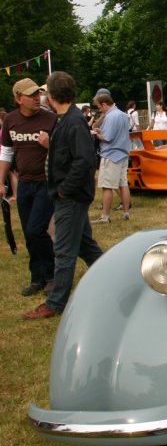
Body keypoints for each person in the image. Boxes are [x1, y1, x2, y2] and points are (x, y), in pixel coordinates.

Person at [23, 71, 102, 320]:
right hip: (67, 195)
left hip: (71, 196)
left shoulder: (74, 121)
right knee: (85, 247)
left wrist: (64, 189)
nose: (43, 97)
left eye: (45, 92)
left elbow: (84, 160)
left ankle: (55, 303)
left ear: (53, 94)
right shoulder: (66, 118)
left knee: (65, 251)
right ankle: (115, 279)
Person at [0, 77, 57, 297]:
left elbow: (63, 150)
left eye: (37, 94)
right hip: (24, 184)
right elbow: (6, 152)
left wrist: (49, 143)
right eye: (31, 95)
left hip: (45, 182)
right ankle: (37, 278)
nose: (37, 98)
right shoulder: (11, 121)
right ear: (18, 99)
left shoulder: (50, 118)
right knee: (28, 233)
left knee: (36, 229)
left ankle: (52, 275)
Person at [93, 92, 131, 223]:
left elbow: (107, 137)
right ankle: (126, 213)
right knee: (123, 184)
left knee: (107, 186)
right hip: (124, 153)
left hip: (111, 155)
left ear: (104, 104)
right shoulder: (123, 115)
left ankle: (105, 216)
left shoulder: (110, 117)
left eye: (99, 107)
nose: (99, 110)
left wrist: (97, 134)